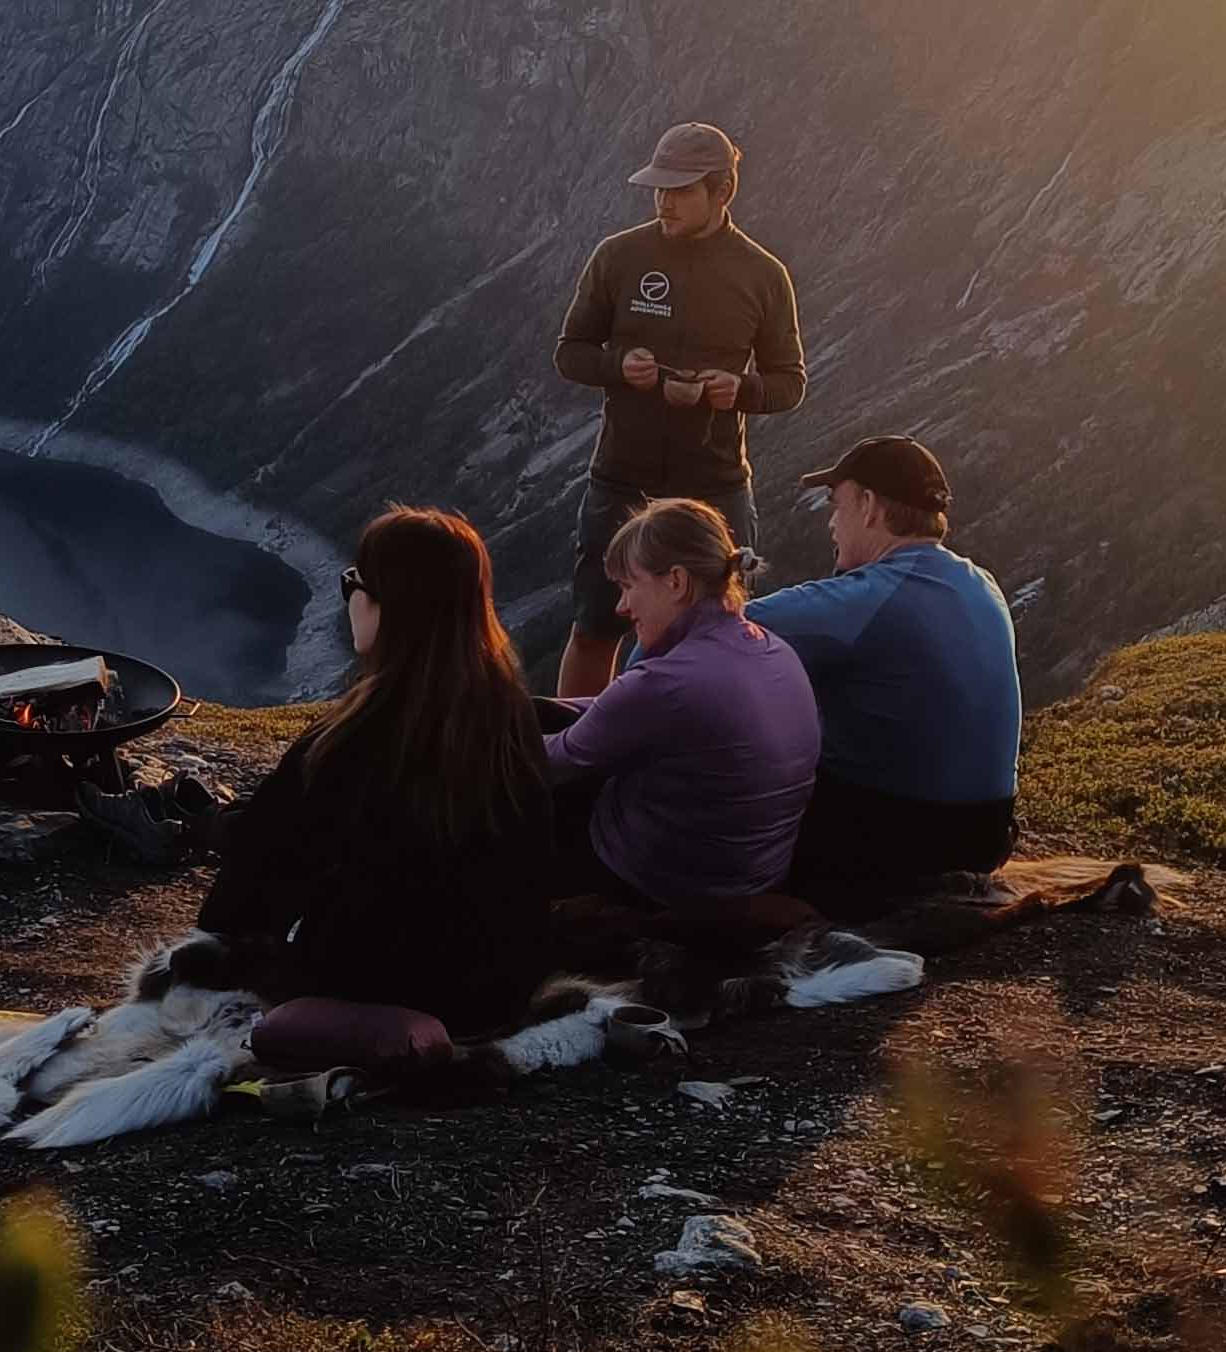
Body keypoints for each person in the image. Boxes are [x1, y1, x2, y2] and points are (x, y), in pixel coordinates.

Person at [197, 507, 554, 1053]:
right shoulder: (511, 714)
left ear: (394, 603)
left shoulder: (355, 734)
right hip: (497, 988)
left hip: (378, 983)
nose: (349, 598)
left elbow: (254, 874)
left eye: (354, 583)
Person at [552, 119, 805, 697]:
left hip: (713, 489)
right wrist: (620, 366)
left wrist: (737, 389)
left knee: (720, 633)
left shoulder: (763, 276)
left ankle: (696, 751)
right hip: (622, 480)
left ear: (722, 192)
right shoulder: (619, 256)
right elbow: (570, 353)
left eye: (680, 189)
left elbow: (789, 382)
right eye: (658, 188)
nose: (664, 201)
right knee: (597, 626)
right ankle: (576, 762)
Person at [750, 439, 1022, 914]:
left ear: (870, 507)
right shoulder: (984, 583)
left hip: (893, 844)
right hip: (987, 836)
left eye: (836, 507)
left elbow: (714, 630)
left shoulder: (867, 596)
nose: (831, 524)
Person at [540, 498, 819, 915]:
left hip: (663, 883)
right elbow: (633, 711)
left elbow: (547, 764)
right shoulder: (775, 649)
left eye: (629, 586)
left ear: (676, 582)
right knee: (546, 714)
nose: (621, 606)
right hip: (755, 873)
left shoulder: (663, 684)